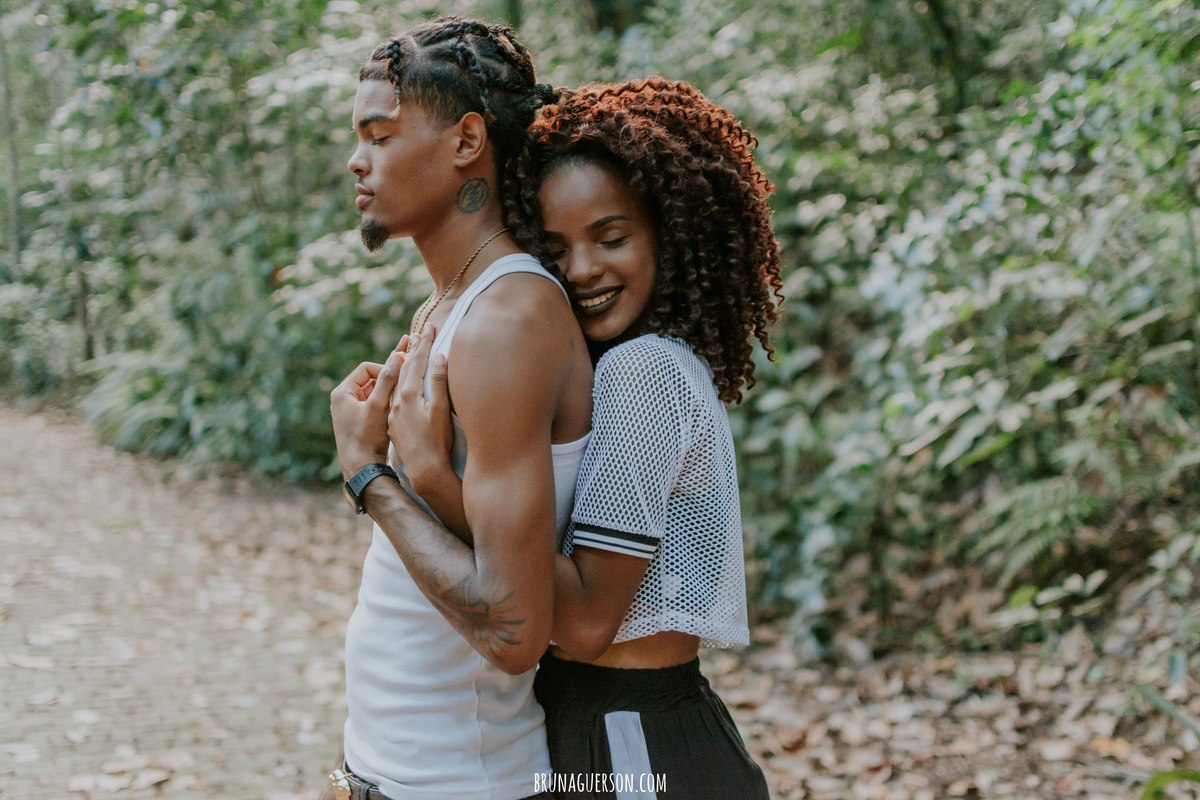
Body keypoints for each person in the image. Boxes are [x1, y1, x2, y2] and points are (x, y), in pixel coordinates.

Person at [391, 78, 782, 798]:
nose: (581, 271)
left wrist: (427, 481)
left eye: (611, 237)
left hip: (631, 738)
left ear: (670, 232)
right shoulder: (645, 366)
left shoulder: (643, 373)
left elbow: (586, 622)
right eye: (557, 247)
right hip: (626, 728)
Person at [325, 16, 593, 800]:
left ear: (467, 140)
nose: (356, 158)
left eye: (379, 134)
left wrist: (369, 477)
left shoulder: (505, 323)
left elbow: (513, 631)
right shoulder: (452, 305)